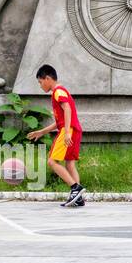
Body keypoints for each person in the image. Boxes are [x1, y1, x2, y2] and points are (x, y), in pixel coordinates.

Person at [27, 65, 84, 208]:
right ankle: (78, 198)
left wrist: (65, 133)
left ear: (47, 78)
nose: (40, 86)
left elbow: (67, 109)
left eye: (40, 82)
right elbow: (59, 121)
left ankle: (74, 188)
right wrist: (42, 132)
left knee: (52, 162)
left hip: (69, 130)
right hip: (75, 129)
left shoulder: (58, 92)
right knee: (70, 164)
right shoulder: (62, 91)